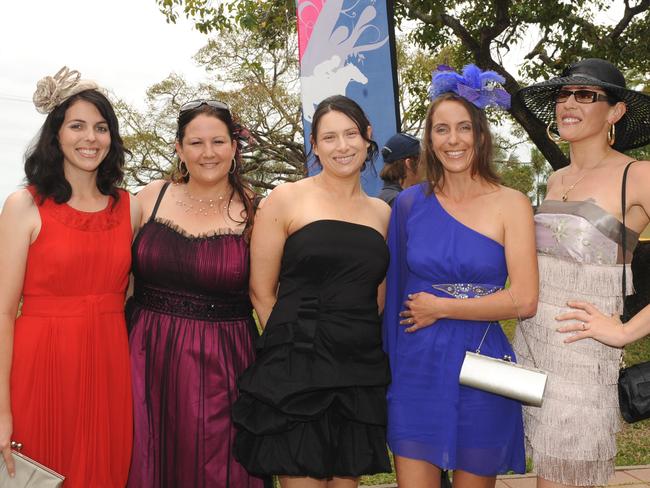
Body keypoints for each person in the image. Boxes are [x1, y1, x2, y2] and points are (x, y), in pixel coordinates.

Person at [383, 64, 538, 488]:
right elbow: (393, 296)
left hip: (484, 362)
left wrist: (443, 307)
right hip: (416, 365)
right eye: (441, 130)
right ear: (428, 141)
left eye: (464, 128)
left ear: (480, 135)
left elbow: (524, 300)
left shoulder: (513, 203)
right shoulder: (409, 205)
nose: (453, 140)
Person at [232, 95, 392, 488]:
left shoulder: (382, 213)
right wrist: (292, 347)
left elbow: (378, 295)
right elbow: (261, 290)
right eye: (330, 137)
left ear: (368, 137)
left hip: (357, 366)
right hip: (298, 368)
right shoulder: (286, 198)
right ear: (315, 146)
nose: (342, 146)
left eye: (351, 134)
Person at [512, 58, 650, 487]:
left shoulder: (638, 175)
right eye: (563, 94)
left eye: (586, 95)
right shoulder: (555, 180)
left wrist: (627, 330)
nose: (568, 103)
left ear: (615, 112)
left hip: (584, 356)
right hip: (533, 349)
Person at [0, 67, 139, 487]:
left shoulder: (129, 208)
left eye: (100, 128)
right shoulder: (24, 206)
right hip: (41, 369)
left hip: (110, 369)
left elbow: (132, 294)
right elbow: (4, 313)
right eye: (76, 126)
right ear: (56, 134)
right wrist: (1, 410)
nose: (89, 138)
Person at [126, 100, 265, 487]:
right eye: (196, 142)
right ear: (179, 149)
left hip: (223, 361)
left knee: (218, 465)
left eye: (218, 141)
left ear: (234, 148)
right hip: (144, 354)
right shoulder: (148, 198)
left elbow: (269, 293)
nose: (208, 153)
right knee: (143, 457)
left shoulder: (257, 212)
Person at [378, 132, 421, 206]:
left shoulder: (384, 197)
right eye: (422, 162)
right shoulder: (400, 202)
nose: (426, 168)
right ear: (409, 163)